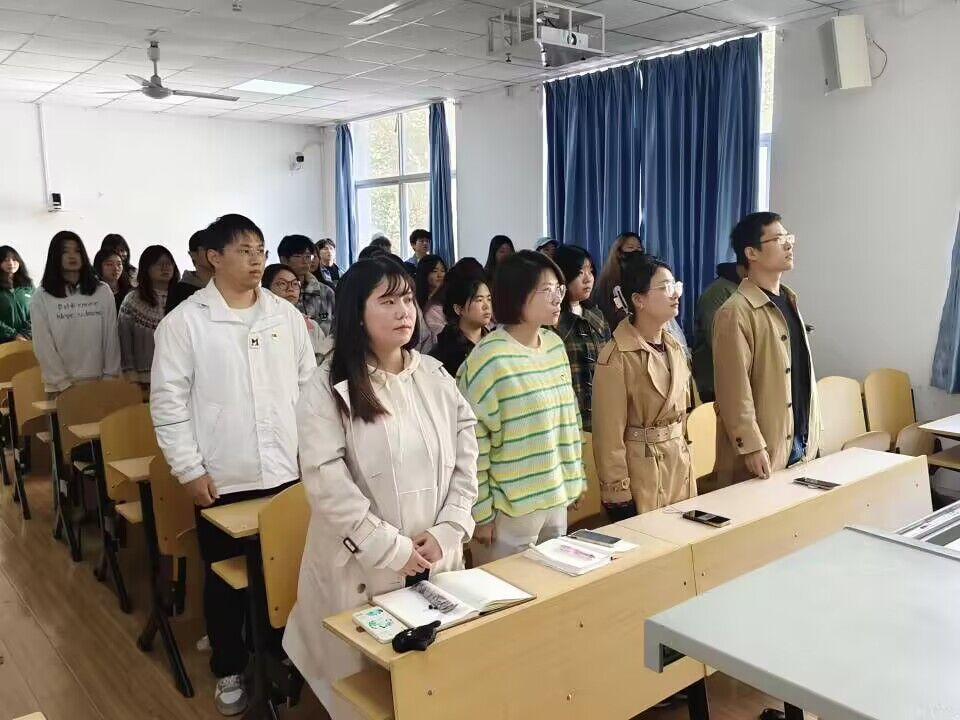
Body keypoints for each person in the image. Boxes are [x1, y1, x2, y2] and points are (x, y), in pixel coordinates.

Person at [283, 256, 478, 717]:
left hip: (433, 555)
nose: (404, 312)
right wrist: (389, 547)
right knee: (368, 689)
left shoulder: (433, 375)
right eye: (387, 302)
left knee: (433, 682)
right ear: (357, 313)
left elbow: (466, 456)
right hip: (360, 565)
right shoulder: (327, 385)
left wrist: (451, 527)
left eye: (407, 299)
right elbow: (326, 481)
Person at [151, 214, 315, 717]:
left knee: (283, 573)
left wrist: (313, 456)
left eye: (261, 250)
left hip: (286, 472)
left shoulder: (284, 316)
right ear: (213, 258)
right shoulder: (185, 323)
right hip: (223, 477)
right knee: (224, 579)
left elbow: (309, 389)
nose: (256, 260)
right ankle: (229, 665)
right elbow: (168, 405)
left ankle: (277, 655)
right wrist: (189, 470)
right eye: (244, 250)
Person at [458, 250, 585, 563]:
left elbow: (569, 421)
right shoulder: (489, 359)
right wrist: (480, 513)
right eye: (547, 290)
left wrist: (574, 480)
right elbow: (471, 443)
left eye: (559, 289)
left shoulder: (554, 346)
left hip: (554, 499)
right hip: (508, 513)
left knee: (555, 587)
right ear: (517, 295)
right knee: (509, 591)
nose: (557, 298)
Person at [713, 212, 820, 487]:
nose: (789, 244)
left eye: (788, 237)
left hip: (799, 438)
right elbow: (733, 388)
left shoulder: (788, 300)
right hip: (765, 447)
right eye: (778, 239)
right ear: (751, 253)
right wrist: (751, 445)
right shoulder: (735, 312)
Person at [592, 253, 694, 519]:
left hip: (678, 463)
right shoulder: (616, 356)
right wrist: (617, 493)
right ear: (639, 300)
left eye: (675, 285)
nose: (675, 294)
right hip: (642, 471)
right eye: (665, 287)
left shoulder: (674, 346)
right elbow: (608, 437)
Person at [31, 231, 121, 393]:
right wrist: (63, 383)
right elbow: (43, 345)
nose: (72, 256)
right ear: (55, 256)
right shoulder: (41, 296)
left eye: (77, 251)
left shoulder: (102, 291)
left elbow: (111, 337)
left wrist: (110, 377)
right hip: (60, 387)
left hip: (100, 382)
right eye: (65, 251)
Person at [551, 245, 610, 432]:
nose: (588, 278)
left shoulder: (597, 316)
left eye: (590, 271)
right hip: (568, 418)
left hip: (602, 414)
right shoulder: (552, 321)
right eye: (580, 272)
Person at [118, 246, 179, 386]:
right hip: (143, 379)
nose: (165, 267)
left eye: (169, 263)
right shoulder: (133, 300)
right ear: (146, 268)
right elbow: (124, 341)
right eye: (159, 263)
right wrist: (130, 373)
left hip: (178, 378)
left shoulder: (183, 297)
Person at [691, 262, 745, 402]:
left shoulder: (742, 289)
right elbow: (717, 339)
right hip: (715, 381)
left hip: (734, 379)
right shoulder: (718, 292)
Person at [430, 262, 491, 376]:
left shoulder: (494, 341)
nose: (486, 306)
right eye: (479, 300)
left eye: (489, 299)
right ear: (458, 309)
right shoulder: (445, 350)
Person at [262, 263, 324, 360]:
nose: (290, 289)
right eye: (282, 284)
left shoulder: (311, 325)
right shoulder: (260, 325)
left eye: (295, 284)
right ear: (266, 289)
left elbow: (323, 360)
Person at [278, 234, 335, 336]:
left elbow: (336, 327)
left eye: (308, 256)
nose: (305, 261)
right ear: (284, 260)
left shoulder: (325, 292)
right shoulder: (276, 293)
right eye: (298, 256)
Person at [594, 232, 642, 329]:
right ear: (619, 252)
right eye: (630, 247)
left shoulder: (643, 275)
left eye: (639, 248)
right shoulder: (609, 281)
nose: (636, 251)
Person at [166, 229, 214, 315]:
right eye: (207, 249)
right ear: (193, 254)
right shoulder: (179, 291)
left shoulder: (228, 286)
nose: (214, 253)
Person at [0, 246, 33, 343]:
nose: (11, 263)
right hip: (3, 344)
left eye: (14, 259)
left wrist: (25, 334)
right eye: (6, 260)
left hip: (28, 341)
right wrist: (13, 335)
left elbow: (37, 311)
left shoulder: (28, 286)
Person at [415, 254, 447, 337]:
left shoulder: (448, 296)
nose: (440, 275)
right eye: (434, 271)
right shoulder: (416, 298)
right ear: (424, 273)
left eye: (443, 271)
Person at [94, 248, 131, 312]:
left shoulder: (129, 293)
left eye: (119, 264)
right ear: (99, 266)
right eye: (110, 264)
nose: (116, 268)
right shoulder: (93, 293)